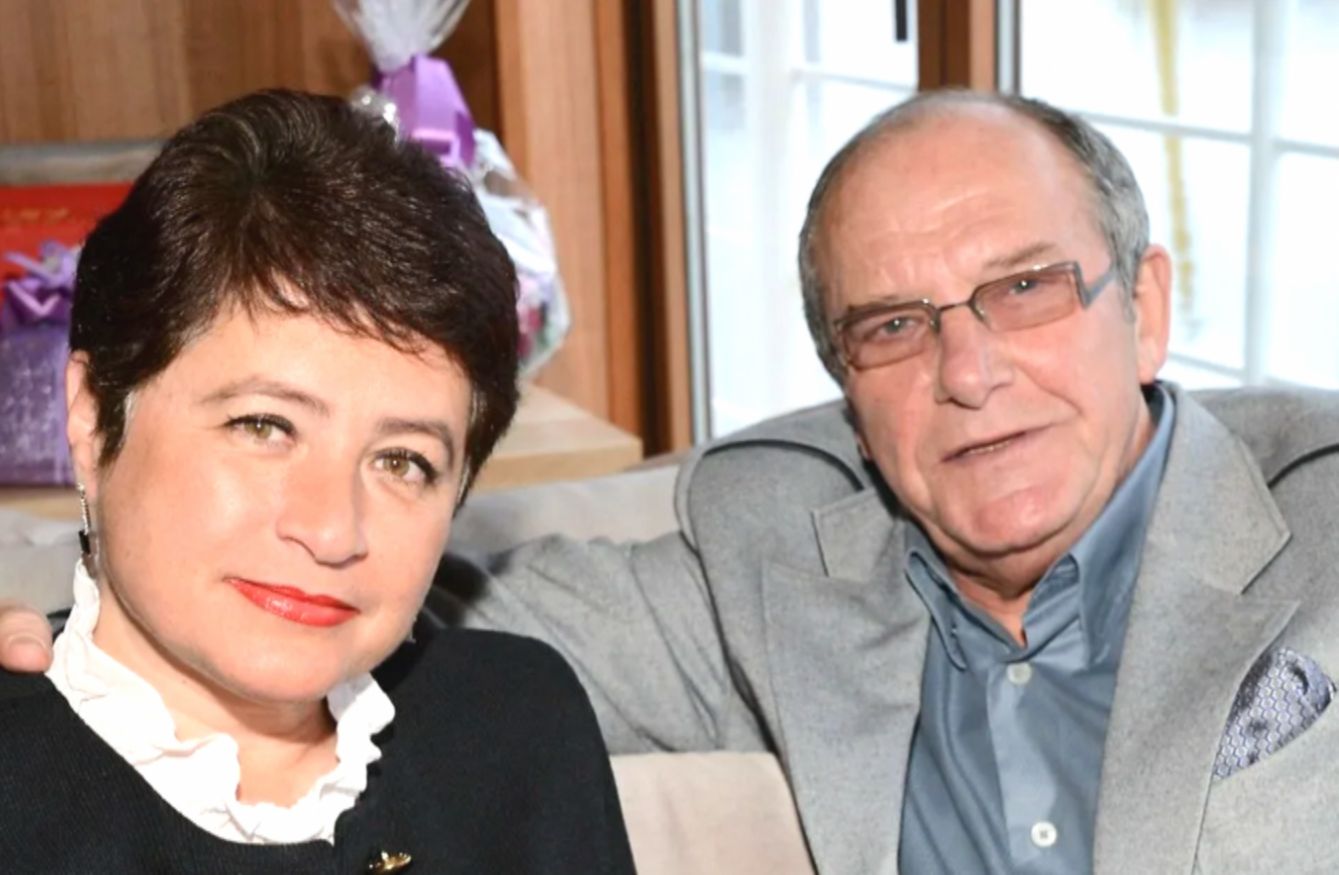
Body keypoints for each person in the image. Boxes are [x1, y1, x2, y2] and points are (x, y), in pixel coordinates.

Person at [6, 89, 1339, 873]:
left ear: (1142, 306)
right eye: (891, 324)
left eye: (1025, 287)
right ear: (841, 380)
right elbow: (333, 597)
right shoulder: (773, 564)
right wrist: (48, 630)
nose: (969, 371)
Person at [0, 89, 634, 874]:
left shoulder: (517, 728)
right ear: (94, 417)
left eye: (401, 461)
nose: (333, 529)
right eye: (264, 425)